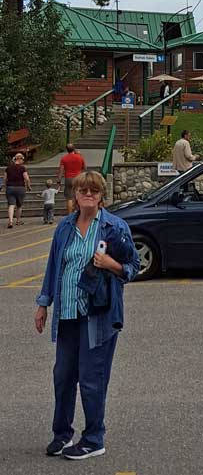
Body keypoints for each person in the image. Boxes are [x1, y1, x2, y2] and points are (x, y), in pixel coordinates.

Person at [34, 170, 140, 460]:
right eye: (83, 190)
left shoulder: (114, 227)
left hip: (98, 315)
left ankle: (94, 438)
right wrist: (44, 303)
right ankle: (62, 435)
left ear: (102, 195)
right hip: (67, 312)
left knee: (92, 379)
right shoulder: (65, 227)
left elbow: (134, 265)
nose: (88, 194)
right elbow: (55, 266)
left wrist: (111, 264)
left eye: (94, 190)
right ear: (76, 195)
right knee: (63, 376)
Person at [2, 152, 32, 228]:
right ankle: (18, 221)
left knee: (11, 205)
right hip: (20, 188)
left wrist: (6, 187)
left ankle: (10, 221)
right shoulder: (22, 168)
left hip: (10, 188)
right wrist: (28, 186)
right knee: (19, 205)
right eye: (23, 159)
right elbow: (27, 179)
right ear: (19, 159)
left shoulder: (8, 168)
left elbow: (5, 179)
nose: (23, 161)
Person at [57, 144, 86, 214]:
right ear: (74, 149)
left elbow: (61, 170)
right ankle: (79, 212)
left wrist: (59, 179)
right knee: (79, 196)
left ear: (67, 150)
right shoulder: (80, 157)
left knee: (69, 198)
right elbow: (85, 167)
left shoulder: (64, 158)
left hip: (68, 178)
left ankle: (70, 214)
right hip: (78, 178)